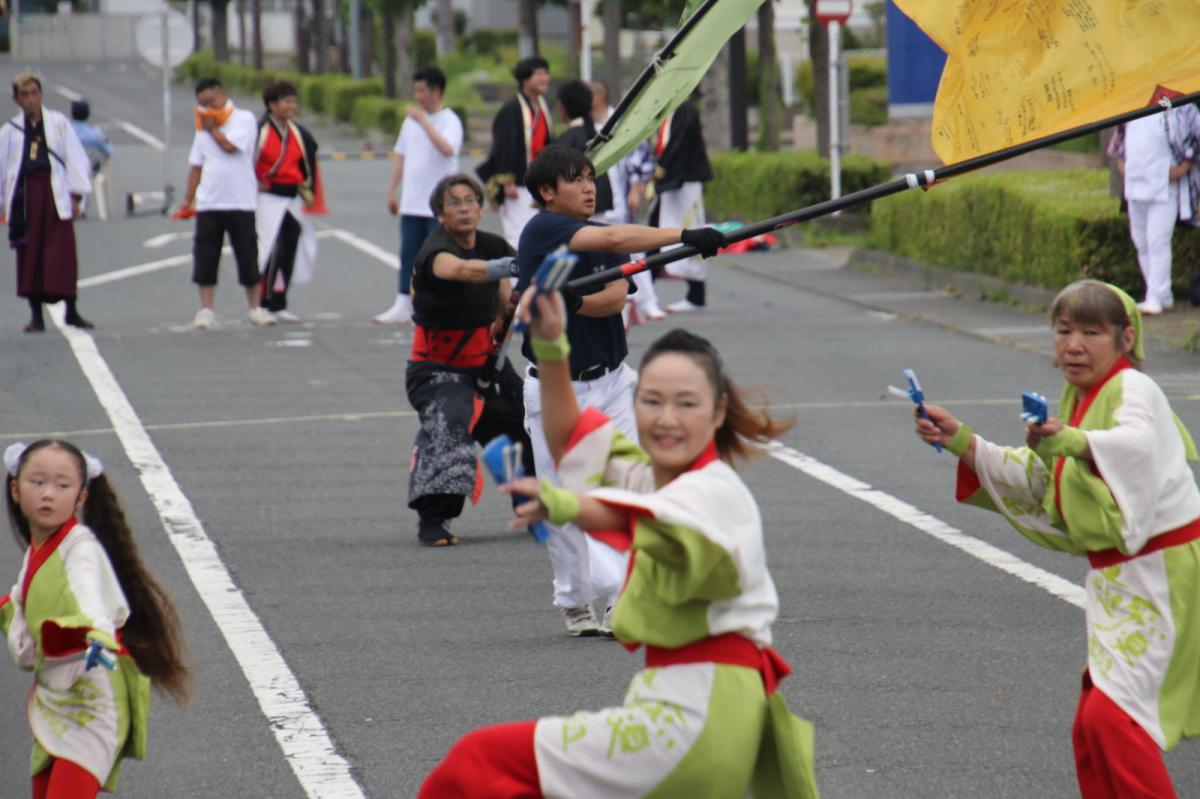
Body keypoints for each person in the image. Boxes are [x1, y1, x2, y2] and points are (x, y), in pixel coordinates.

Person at [418, 293, 819, 798]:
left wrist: (571, 506)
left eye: (686, 403)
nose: (666, 418)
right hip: (703, 712)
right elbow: (569, 437)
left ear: (718, 411)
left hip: (695, 716)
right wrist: (550, 346)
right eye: (651, 401)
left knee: (481, 762)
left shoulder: (714, 490)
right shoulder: (653, 479)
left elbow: (668, 531)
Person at [913, 279, 1200, 799]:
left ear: (1126, 336)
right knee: (1094, 724)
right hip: (1126, 577)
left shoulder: (1134, 388)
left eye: (1092, 331)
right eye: (1064, 330)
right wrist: (960, 438)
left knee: (1116, 723)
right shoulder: (1083, 396)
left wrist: (1069, 439)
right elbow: (1043, 478)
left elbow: (1133, 446)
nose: (1073, 344)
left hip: (1164, 571)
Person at [516, 144, 726, 636]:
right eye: (576, 180)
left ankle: (620, 601)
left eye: (591, 177)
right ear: (548, 193)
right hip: (555, 391)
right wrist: (681, 232)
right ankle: (575, 602)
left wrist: (571, 297)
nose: (590, 187)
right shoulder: (543, 230)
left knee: (623, 492)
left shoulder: (605, 237)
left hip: (611, 383)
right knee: (565, 500)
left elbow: (615, 299)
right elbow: (612, 244)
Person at [2, 439, 190, 798]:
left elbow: (88, 597)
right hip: (57, 698)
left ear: (81, 497)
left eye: (62, 485)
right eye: (36, 481)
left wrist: (94, 632)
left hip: (95, 699)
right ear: (15, 489)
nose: (47, 494)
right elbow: (18, 603)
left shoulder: (80, 549)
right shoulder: (40, 549)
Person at [405, 173, 534, 546]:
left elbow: (505, 304)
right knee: (451, 426)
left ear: (481, 207)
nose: (464, 208)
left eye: (470, 200)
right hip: (436, 371)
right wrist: (510, 266)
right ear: (441, 215)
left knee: (527, 421)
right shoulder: (436, 249)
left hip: (487, 364)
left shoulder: (494, 244)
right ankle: (433, 521)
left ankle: (531, 503)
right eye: (454, 203)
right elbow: (460, 271)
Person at [0, 73, 94, 333]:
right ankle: (36, 315)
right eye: (24, 95)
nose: (30, 99)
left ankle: (71, 310)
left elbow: (75, 159)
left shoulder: (58, 124)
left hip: (55, 193)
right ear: (16, 99)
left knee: (62, 254)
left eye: (34, 93)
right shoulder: (10, 131)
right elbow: (2, 169)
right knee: (30, 254)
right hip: (26, 197)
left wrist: (76, 196)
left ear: (41, 95)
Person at [179, 77, 274, 330]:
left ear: (222, 94)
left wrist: (212, 129)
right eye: (202, 105)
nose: (207, 109)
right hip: (210, 200)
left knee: (247, 254)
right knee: (205, 255)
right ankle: (206, 309)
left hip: (241, 200)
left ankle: (255, 307)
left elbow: (231, 147)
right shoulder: (203, 126)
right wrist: (187, 200)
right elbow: (196, 164)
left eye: (210, 102)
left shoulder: (242, 119)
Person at [375, 66, 464, 325]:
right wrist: (392, 191)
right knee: (409, 255)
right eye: (416, 91)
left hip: (440, 205)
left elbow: (448, 149)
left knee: (439, 255)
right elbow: (401, 156)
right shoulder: (410, 122)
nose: (418, 97)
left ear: (437, 92)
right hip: (412, 201)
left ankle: (439, 305)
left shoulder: (450, 120)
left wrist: (424, 122)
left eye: (422, 91)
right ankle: (403, 302)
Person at [1107, 102, 1200, 315]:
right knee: (1141, 241)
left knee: (1158, 240)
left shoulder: (1181, 107)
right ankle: (1159, 292)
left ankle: (1155, 297)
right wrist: (1124, 168)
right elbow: (1119, 144)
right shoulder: (1131, 106)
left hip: (1164, 186)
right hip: (1135, 184)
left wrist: (1181, 169)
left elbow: (1195, 141)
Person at [590, 80, 665, 323]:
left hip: (621, 198)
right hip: (598, 201)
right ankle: (616, 305)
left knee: (634, 249)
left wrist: (635, 189)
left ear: (600, 97)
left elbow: (639, 156)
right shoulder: (585, 124)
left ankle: (648, 302)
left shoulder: (620, 121)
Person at [254, 80, 322, 323]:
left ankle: (279, 301)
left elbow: (309, 158)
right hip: (268, 198)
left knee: (289, 250)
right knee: (269, 251)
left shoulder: (298, 133)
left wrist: (307, 189)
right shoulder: (260, 131)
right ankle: (262, 302)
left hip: (291, 198)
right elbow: (249, 161)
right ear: (272, 105)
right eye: (287, 101)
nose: (291, 106)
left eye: (294, 101)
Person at [476, 56, 553, 250]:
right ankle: (516, 279)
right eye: (538, 74)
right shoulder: (511, 110)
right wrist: (507, 181)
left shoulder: (542, 106)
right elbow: (504, 146)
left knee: (539, 235)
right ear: (525, 79)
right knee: (519, 235)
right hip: (518, 185)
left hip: (539, 182)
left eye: (545, 73)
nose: (544, 78)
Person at [653, 96, 716, 314]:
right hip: (678, 180)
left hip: (684, 180)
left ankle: (695, 295)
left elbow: (677, 146)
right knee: (657, 232)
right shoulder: (672, 106)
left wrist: (661, 171)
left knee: (687, 232)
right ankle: (647, 293)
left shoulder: (684, 108)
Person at [554, 79, 612, 218]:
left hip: (576, 208)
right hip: (598, 202)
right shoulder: (593, 135)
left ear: (564, 108)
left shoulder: (568, 139)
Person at [68, 100, 112, 177]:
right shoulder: (95, 134)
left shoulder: (65, 132)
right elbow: (109, 151)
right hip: (88, 173)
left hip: (68, 173)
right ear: (88, 115)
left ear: (72, 114)